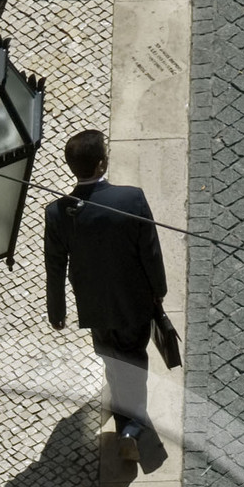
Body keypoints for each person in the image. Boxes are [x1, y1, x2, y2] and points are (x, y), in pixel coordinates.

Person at [45, 127, 169, 460]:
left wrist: (57, 311)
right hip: (133, 303)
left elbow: (55, 267)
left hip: (95, 306)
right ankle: (131, 428)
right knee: (134, 360)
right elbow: (150, 252)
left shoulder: (57, 213)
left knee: (112, 356)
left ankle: (120, 403)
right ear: (101, 164)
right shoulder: (131, 199)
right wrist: (158, 291)